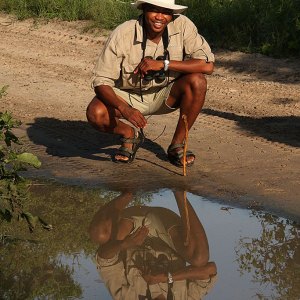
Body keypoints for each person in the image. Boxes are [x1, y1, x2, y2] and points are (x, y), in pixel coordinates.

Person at [86, 0, 215, 166]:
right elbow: (101, 81)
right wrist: (125, 109)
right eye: (154, 10)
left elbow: (207, 65)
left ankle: (177, 144)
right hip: (127, 96)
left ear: (172, 14)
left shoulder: (182, 25)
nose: (160, 17)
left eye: (166, 12)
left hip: (165, 94)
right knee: (96, 113)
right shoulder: (124, 32)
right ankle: (129, 135)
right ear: (144, 10)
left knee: (198, 81)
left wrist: (164, 64)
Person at [89, 190, 217, 299]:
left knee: (99, 234)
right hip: (167, 230)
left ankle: (128, 192)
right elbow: (210, 270)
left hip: (132, 229)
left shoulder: (126, 297)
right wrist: (168, 278)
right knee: (200, 258)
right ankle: (178, 190)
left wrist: (124, 244)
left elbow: (104, 259)